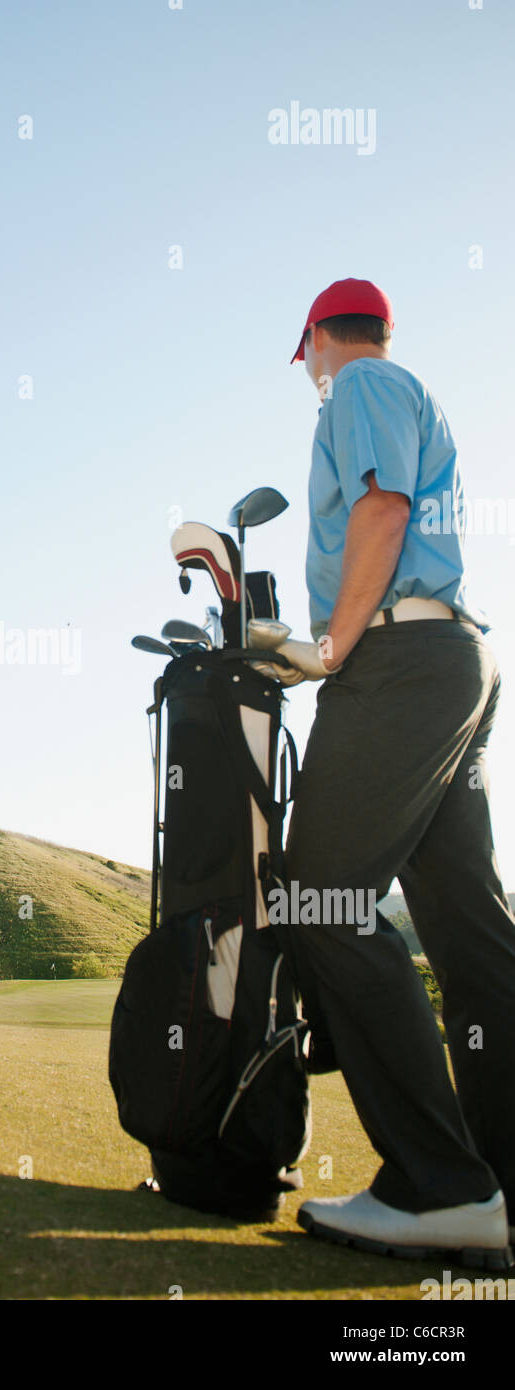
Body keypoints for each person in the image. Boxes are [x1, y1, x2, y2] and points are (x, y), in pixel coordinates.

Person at [281, 278, 515, 1268]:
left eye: (309, 362)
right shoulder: (412, 387)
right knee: (468, 929)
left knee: (320, 899)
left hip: (401, 663)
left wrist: (330, 646)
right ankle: (497, 1181)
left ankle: (440, 1187)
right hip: (455, 661)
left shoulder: (363, 386)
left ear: (317, 343)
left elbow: (382, 508)